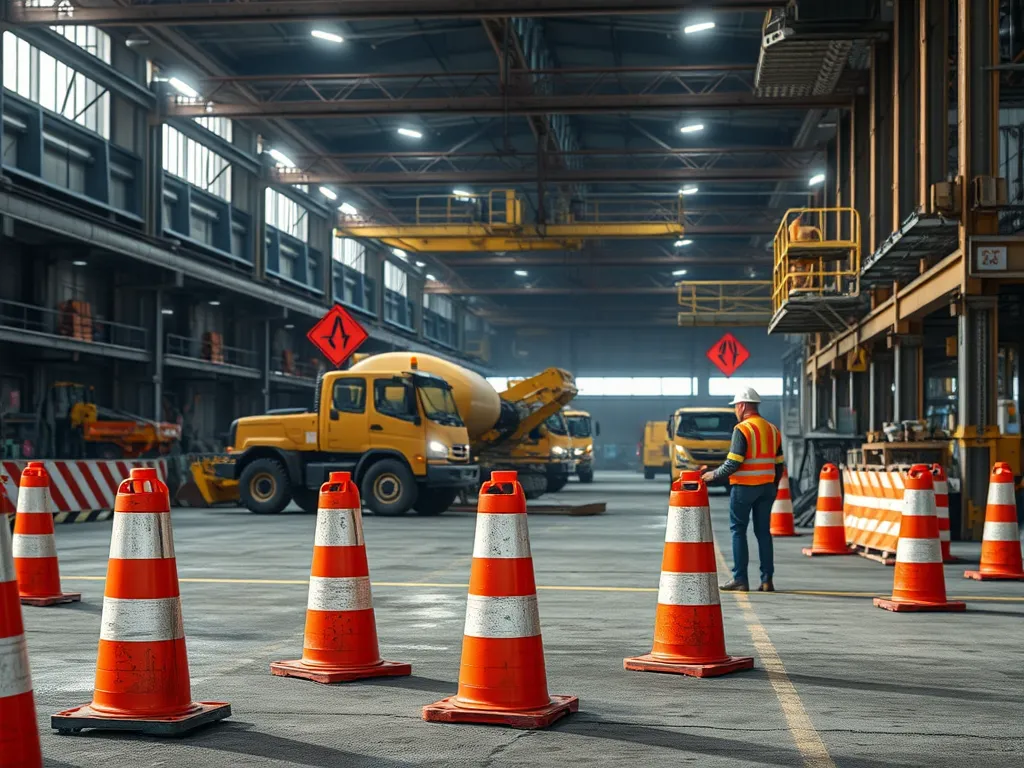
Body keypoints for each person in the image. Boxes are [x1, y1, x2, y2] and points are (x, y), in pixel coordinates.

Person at [701, 387, 784, 592]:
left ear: (742, 406)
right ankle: (767, 580)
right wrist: (773, 486)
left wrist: (713, 475)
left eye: (736, 407)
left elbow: (733, 463)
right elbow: (779, 463)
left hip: (744, 488)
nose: (736, 411)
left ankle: (740, 579)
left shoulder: (743, 429)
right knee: (763, 532)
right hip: (767, 488)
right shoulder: (772, 429)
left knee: (738, 530)